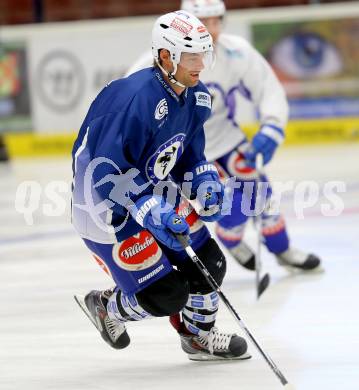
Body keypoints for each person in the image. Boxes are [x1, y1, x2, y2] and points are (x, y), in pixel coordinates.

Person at [71, 10, 250, 361]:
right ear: (166, 56)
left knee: (210, 264)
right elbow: (102, 171)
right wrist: (146, 205)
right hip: (104, 210)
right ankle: (107, 306)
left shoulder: (196, 97)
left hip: (151, 191)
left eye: (204, 54)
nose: (200, 64)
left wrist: (203, 181)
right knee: (167, 294)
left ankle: (198, 337)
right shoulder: (133, 99)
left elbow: (187, 155)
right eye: (191, 56)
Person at [127, 0, 321, 272]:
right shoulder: (156, 61)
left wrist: (272, 127)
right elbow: (130, 106)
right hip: (185, 145)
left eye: (217, 21)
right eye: (204, 22)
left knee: (259, 190)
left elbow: (268, 87)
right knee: (227, 199)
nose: (212, 30)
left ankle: (281, 247)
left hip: (224, 135)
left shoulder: (236, 52)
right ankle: (230, 237)